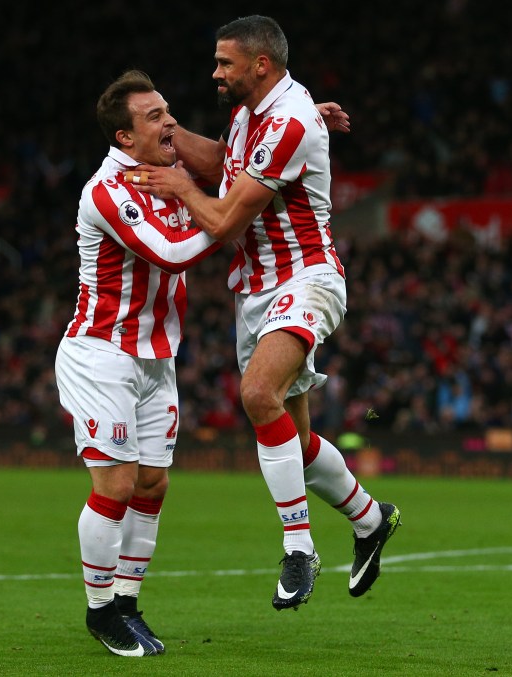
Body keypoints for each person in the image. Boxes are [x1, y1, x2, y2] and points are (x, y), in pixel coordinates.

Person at [129, 15, 401, 610]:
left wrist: (178, 188)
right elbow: (227, 162)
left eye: (225, 63)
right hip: (254, 290)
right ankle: (369, 518)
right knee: (293, 441)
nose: (215, 72)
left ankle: (299, 548)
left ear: (260, 64)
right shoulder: (254, 114)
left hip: (307, 277)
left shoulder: (286, 121)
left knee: (257, 395)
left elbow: (225, 220)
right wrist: (169, 136)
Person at [54, 70, 221, 657]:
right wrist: (226, 216)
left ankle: (126, 601)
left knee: (153, 482)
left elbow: (251, 164)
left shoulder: (174, 175)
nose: (169, 121)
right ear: (125, 137)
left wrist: (305, 128)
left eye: (167, 110)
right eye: (154, 117)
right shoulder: (105, 191)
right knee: (118, 483)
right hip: (101, 353)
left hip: (156, 357)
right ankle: (100, 612)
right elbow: (172, 254)